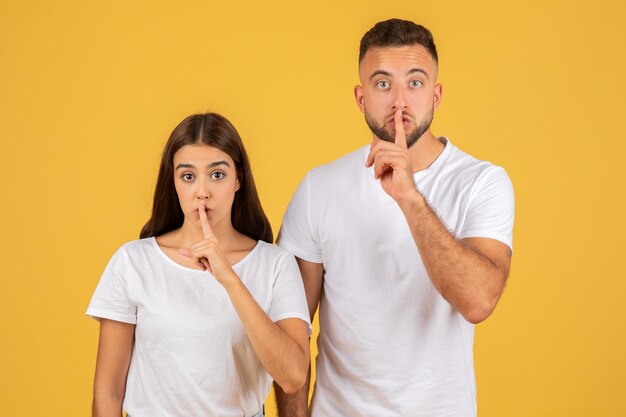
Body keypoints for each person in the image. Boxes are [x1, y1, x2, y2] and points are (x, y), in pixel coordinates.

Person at [274, 19, 515, 417]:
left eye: (415, 83)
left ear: (436, 96)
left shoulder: (482, 182)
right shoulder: (320, 188)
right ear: (361, 96)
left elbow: (478, 301)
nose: (399, 101)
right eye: (383, 84)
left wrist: (409, 197)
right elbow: (290, 337)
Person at [87, 112, 311, 417]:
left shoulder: (274, 264)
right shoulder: (133, 262)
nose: (202, 192)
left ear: (238, 180)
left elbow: (293, 376)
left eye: (217, 174)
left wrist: (230, 279)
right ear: (174, 181)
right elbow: (108, 392)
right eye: (188, 176)